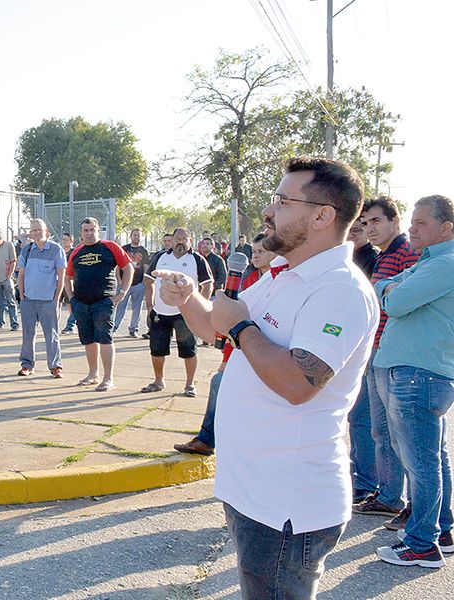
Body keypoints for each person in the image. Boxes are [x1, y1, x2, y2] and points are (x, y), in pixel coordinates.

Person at [156, 156, 376, 598]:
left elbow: (298, 384)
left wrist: (241, 326)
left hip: (288, 502)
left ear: (321, 216)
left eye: (282, 200)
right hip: (255, 490)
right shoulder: (285, 274)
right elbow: (218, 329)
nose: (269, 211)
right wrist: (187, 300)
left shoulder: (339, 289)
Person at [372, 195, 454, 568]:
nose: (411, 229)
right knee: (433, 459)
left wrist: (392, 290)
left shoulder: (446, 264)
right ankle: (442, 530)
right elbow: (385, 286)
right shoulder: (431, 261)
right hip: (418, 372)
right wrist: (392, 289)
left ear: (446, 228)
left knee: (422, 464)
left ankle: (423, 544)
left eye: (420, 223)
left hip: (418, 374)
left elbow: (394, 301)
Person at [174, 233, 275, 456]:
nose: (256, 255)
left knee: (221, 383)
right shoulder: (248, 280)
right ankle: (208, 439)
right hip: (241, 352)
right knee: (219, 381)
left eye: (262, 251)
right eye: (254, 251)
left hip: (266, 360)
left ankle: (210, 439)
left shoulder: (282, 282)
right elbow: (230, 325)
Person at [353, 196, 420, 524]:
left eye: (376, 221)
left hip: (394, 353)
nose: (370, 228)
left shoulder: (408, 254)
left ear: (396, 222)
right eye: (365, 223)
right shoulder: (385, 256)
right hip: (376, 350)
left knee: (401, 433)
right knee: (381, 430)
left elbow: (406, 303)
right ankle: (390, 496)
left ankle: (410, 502)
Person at [142, 227, 213, 397]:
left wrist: (199, 309)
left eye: (184, 239)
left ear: (191, 241)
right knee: (157, 349)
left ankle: (189, 384)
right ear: (171, 240)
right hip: (161, 312)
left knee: (189, 350)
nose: (180, 242)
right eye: (177, 239)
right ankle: (158, 381)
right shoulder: (160, 257)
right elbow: (149, 280)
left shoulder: (197, 259)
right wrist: (150, 305)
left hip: (185, 316)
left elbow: (208, 285)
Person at [65, 218, 134, 391]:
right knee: (88, 340)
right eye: (85, 230)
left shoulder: (110, 246)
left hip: (104, 302)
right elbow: (68, 277)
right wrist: (71, 298)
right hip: (81, 303)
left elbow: (129, 268)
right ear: (80, 233)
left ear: (98, 230)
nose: (89, 233)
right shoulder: (76, 252)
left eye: (92, 230)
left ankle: (108, 378)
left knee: (104, 339)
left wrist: (122, 293)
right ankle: (93, 374)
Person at [346, 216, 380, 505]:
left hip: (368, 346)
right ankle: (360, 473)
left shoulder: (373, 259)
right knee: (356, 419)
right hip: (350, 344)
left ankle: (366, 480)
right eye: (353, 229)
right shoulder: (347, 257)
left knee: (363, 420)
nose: (356, 234)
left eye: (361, 229)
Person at [17, 219, 67, 378]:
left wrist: (56, 301)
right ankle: (27, 365)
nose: (37, 233)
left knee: (51, 335)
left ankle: (55, 366)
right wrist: (22, 295)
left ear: (47, 232)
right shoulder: (26, 250)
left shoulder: (56, 250)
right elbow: (21, 275)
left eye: (40, 230)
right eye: (34, 230)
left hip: (48, 301)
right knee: (28, 335)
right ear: (30, 234)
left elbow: (61, 278)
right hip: (29, 301)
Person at [113, 228, 150, 338]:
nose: (136, 237)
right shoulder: (124, 249)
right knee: (120, 305)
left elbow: (146, 267)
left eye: (138, 235)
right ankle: (114, 327)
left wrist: (143, 282)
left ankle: (133, 329)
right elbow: (118, 266)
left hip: (138, 283)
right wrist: (119, 279)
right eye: (134, 235)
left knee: (137, 307)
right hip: (124, 283)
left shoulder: (143, 250)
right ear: (130, 236)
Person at [60, 233, 78, 334]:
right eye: (63, 239)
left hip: (71, 280)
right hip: (61, 280)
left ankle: (71, 325)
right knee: (64, 304)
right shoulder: (60, 251)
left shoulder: (74, 252)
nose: (64, 241)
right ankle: (72, 324)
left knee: (72, 303)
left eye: (66, 240)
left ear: (71, 241)